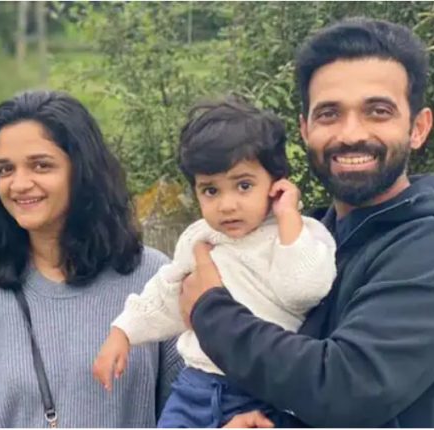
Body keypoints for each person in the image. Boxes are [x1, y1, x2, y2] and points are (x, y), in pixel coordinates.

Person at [180, 17, 434, 427]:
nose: (350, 133)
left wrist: (210, 310)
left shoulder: (429, 246)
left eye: (378, 111)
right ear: (305, 129)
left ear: (418, 128)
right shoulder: (309, 237)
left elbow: (348, 388)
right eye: (329, 114)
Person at [0, 89, 183, 427]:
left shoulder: (153, 279)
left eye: (40, 165)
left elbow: (192, 407)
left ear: (82, 171)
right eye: (5, 170)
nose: (19, 184)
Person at [92, 98, 337, 428]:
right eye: (210, 191)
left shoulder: (301, 234)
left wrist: (288, 217)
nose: (227, 205)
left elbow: (304, 290)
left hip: (265, 394)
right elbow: (167, 293)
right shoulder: (199, 238)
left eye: (244, 186)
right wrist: (123, 332)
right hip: (195, 388)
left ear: (277, 183)